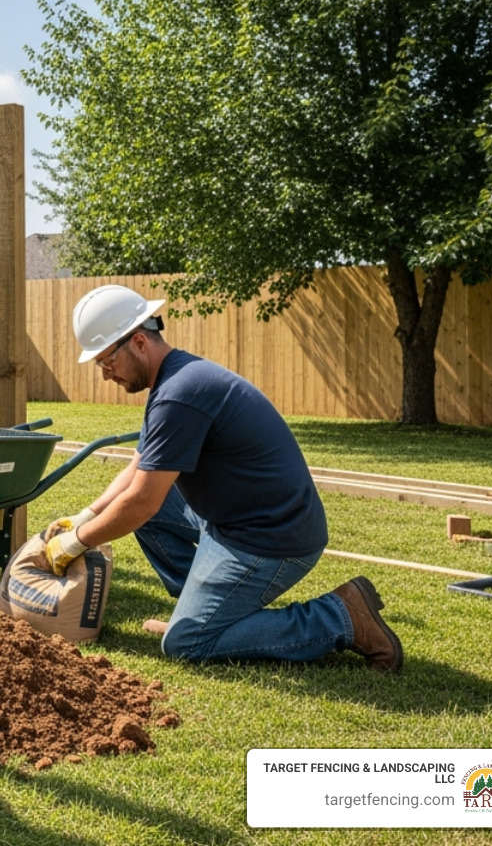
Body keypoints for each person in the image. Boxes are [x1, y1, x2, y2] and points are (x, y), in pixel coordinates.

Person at [37, 284, 403, 671]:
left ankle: (341, 616)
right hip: (239, 518)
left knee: (186, 644)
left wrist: (76, 542)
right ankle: (199, 613)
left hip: (272, 537)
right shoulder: (175, 380)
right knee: (145, 513)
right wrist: (87, 515)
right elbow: (138, 467)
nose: (105, 373)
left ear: (139, 342)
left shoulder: (179, 393)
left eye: (106, 361)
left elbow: (142, 502)